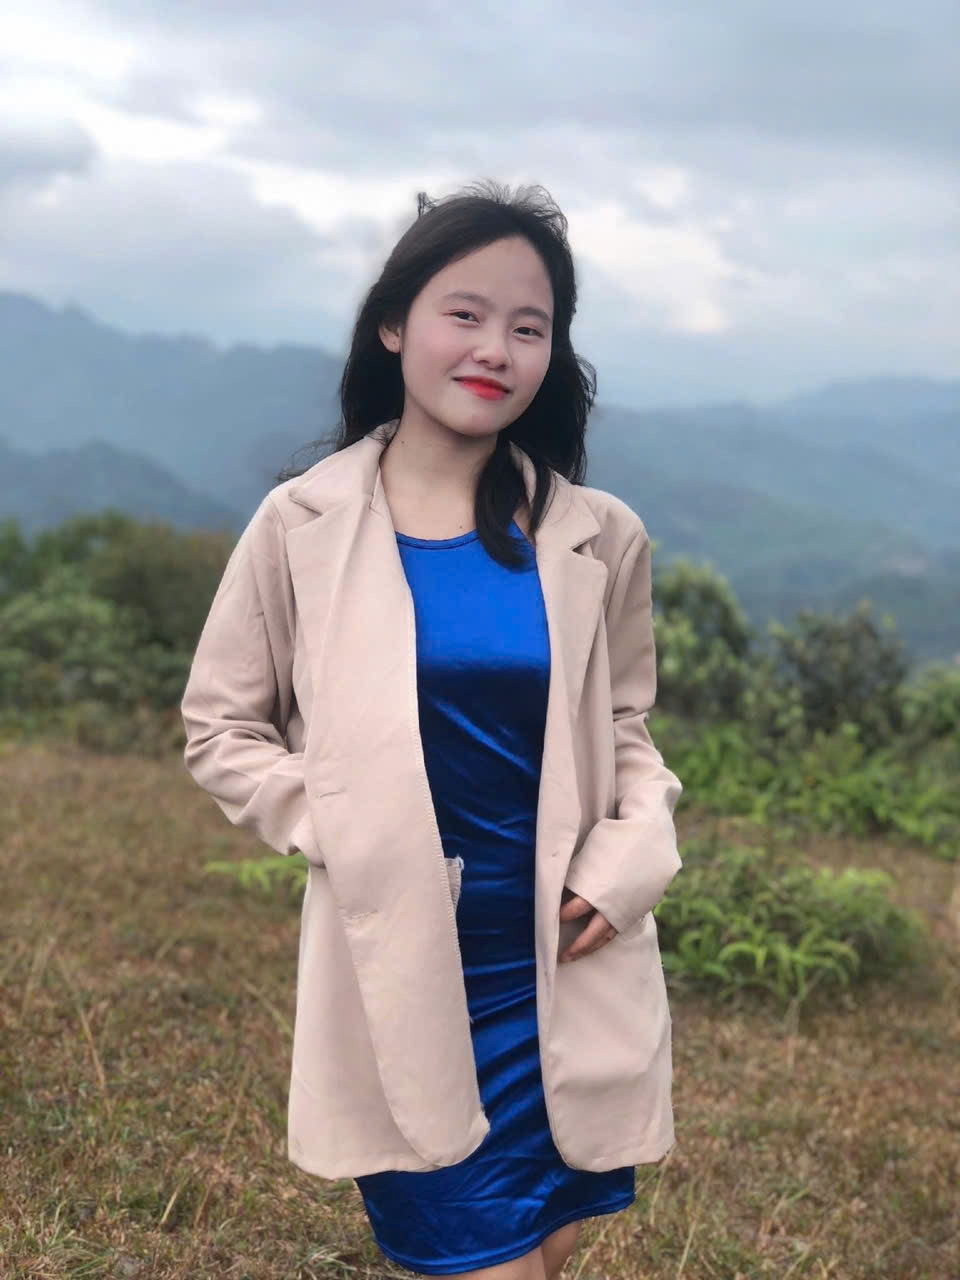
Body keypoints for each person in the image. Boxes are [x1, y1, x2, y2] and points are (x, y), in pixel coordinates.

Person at [181, 179, 684, 1280]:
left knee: (543, 1250)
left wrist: (634, 854)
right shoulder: (302, 525)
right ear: (394, 323)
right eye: (465, 313)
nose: (495, 348)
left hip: (562, 960)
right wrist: (343, 822)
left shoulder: (599, 535)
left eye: (528, 327)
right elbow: (221, 726)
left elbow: (624, 724)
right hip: (405, 966)